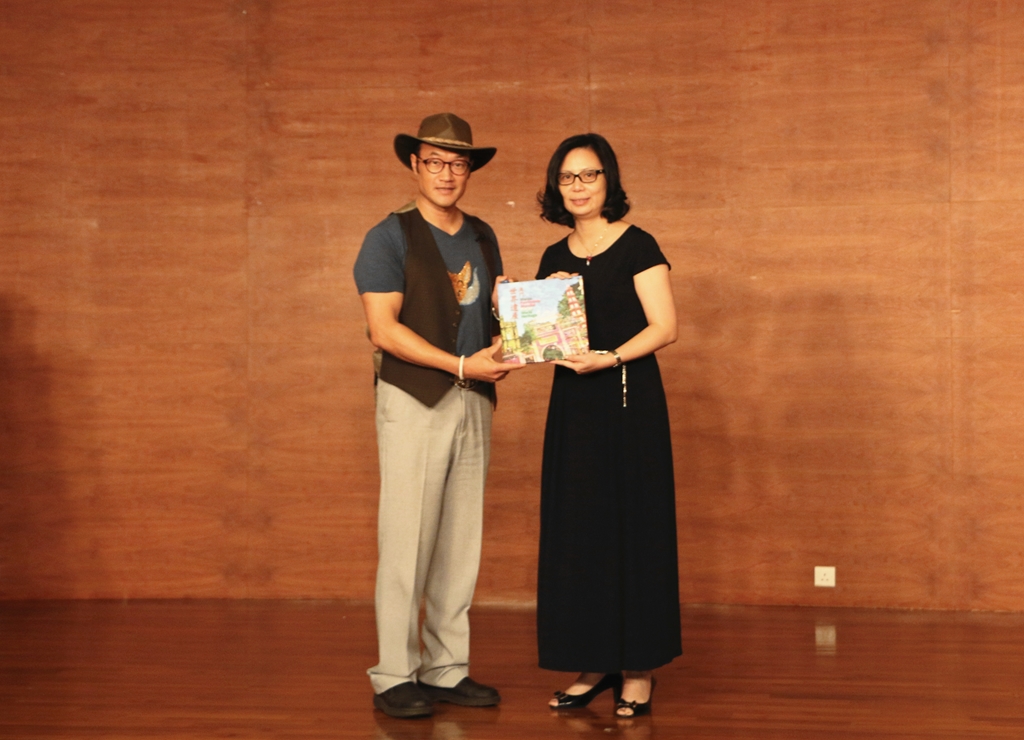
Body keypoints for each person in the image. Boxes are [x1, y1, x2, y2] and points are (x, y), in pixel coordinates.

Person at [353, 112, 523, 719]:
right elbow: (384, 330)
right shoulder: (388, 236)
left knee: (459, 540)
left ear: (469, 170)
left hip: (474, 398)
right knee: (407, 539)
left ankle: (446, 668)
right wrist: (461, 365)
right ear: (414, 165)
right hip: (414, 398)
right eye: (434, 162)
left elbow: (493, 317)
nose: (446, 173)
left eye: (458, 163)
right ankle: (394, 674)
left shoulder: (482, 235)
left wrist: (534, 312)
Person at [533, 133, 682, 718]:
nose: (578, 187)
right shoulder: (553, 256)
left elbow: (665, 327)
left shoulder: (638, 244)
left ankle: (639, 668)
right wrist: (513, 306)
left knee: (634, 529)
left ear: (608, 180)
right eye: (567, 177)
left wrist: (611, 356)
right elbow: (541, 342)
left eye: (589, 175)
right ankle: (593, 663)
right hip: (574, 408)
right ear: (556, 186)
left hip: (628, 400)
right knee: (580, 534)